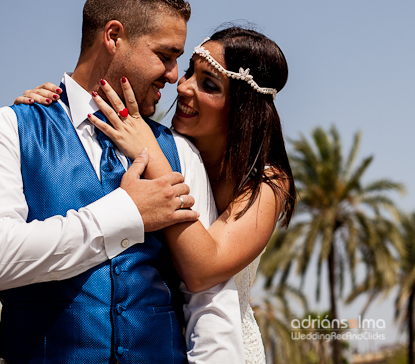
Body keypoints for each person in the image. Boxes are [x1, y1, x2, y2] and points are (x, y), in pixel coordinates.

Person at [0, 0, 244, 364]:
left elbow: (210, 303)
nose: (174, 76)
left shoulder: (181, 152)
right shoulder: (5, 130)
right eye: (165, 55)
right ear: (113, 37)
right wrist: (127, 213)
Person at [18, 25, 297, 363]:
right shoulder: (175, 149)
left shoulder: (265, 182)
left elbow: (204, 269)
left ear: (243, 107)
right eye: (191, 72)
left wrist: (149, 149)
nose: (183, 86)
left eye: (208, 84)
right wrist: (50, 110)